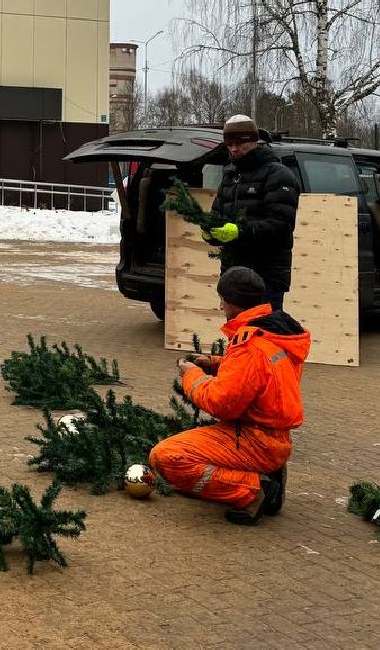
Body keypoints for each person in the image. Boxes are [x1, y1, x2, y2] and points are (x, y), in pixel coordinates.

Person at [149, 266, 310, 526]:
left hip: (254, 439)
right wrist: (214, 363)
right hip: (273, 438)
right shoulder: (274, 332)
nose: (221, 306)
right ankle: (268, 474)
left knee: (167, 457)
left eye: (223, 299)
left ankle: (253, 489)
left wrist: (191, 374)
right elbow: (257, 374)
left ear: (232, 302)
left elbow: (221, 403)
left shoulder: (249, 345)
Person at [203, 114, 301, 310]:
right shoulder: (230, 176)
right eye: (229, 144)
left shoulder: (278, 175)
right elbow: (217, 215)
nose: (234, 149)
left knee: (263, 333)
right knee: (237, 335)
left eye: (240, 143)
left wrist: (240, 231)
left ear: (254, 141)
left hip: (265, 277)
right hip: (233, 276)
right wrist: (211, 232)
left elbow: (281, 225)